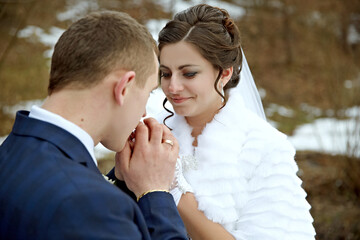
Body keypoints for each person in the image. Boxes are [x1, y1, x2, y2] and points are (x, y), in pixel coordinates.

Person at [0, 11, 187, 239]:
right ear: (124, 87)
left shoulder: (11, 151)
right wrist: (155, 192)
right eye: (147, 93)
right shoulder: (90, 204)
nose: (144, 112)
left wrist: (121, 181)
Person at [155, 4, 316, 240]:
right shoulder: (152, 132)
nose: (173, 87)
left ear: (225, 73)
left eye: (188, 73)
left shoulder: (263, 147)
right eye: (166, 73)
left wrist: (170, 189)